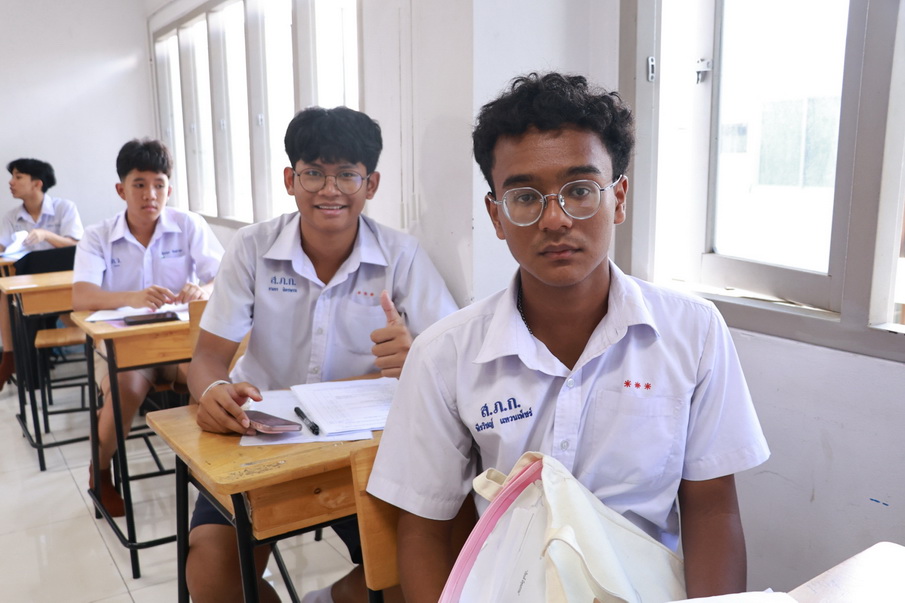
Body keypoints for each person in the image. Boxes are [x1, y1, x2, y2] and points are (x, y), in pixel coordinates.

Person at [367, 72, 771, 601]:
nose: (555, 220)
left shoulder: (693, 332)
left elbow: (713, 509)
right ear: (496, 215)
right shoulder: (445, 355)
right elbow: (424, 528)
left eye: (580, 191)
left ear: (618, 199)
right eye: (525, 197)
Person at [186, 105, 458, 603]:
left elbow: (453, 364)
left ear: (371, 184)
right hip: (260, 435)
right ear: (291, 180)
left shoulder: (401, 256)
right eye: (313, 173)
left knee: (409, 571)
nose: (330, 190)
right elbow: (206, 357)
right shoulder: (252, 247)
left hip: (362, 450)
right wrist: (213, 391)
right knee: (212, 574)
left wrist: (416, 357)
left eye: (347, 175)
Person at [72, 138, 223, 517]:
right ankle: (100, 471)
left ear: (169, 189)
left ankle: (207, 475)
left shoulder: (188, 225)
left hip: (180, 344)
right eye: (139, 184)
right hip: (124, 348)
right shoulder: (98, 235)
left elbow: (223, 277)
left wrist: (202, 290)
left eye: (158, 184)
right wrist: (133, 297)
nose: (150, 194)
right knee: (125, 389)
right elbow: (82, 296)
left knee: (210, 383)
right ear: (121, 189)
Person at [0, 158, 84, 388]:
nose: (11, 182)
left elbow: (77, 245)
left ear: (37, 183)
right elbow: (4, 249)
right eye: (12, 176)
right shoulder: (11, 217)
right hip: (27, 286)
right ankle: (10, 356)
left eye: (18, 177)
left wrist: (46, 235)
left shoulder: (64, 208)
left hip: (63, 286)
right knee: (5, 291)